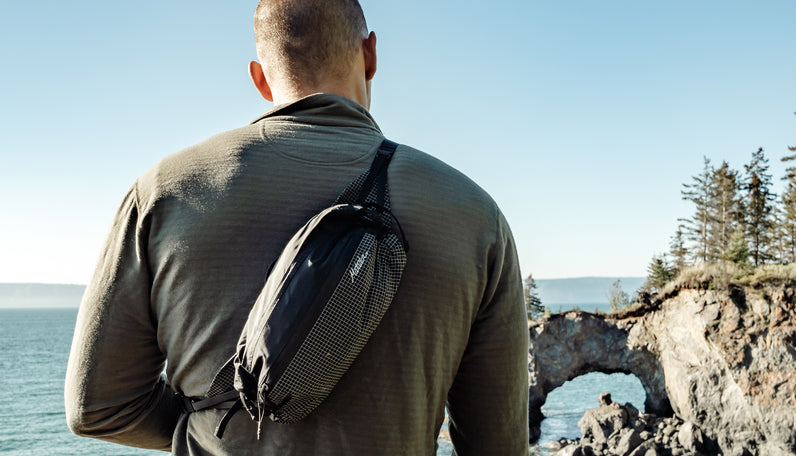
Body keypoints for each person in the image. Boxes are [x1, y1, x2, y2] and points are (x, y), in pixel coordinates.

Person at [64, 0, 529, 454]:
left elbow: (96, 407)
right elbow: (498, 444)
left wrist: (210, 430)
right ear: (370, 55)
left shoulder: (164, 191)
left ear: (260, 78)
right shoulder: (475, 214)